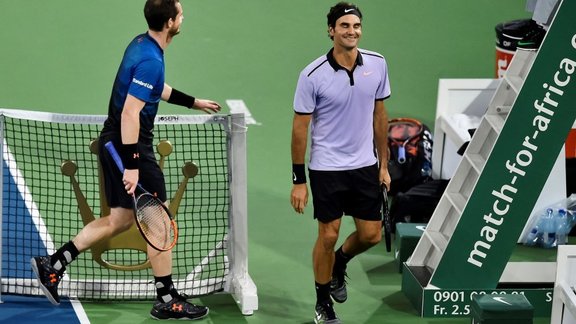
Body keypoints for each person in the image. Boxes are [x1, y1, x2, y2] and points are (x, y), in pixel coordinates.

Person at [30, 0, 221, 320]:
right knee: (161, 225)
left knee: (118, 220)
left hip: (113, 143)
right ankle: (166, 298)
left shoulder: (141, 43)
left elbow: (153, 89)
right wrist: (132, 165)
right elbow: (131, 112)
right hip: (131, 147)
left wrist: (193, 102)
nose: (183, 15)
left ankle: (54, 264)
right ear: (171, 22)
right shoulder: (150, 60)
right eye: (180, 13)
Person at [290, 2, 391, 323]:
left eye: (356, 26)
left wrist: (384, 166)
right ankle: (323, 303)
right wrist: (298, 179)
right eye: (344, 26)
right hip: (326, 166)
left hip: (364, 165)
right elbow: (300, 128)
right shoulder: (312, 75)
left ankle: (339, 263)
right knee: (328, 235)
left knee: (371, 235)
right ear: (331, 31)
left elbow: (380, 116)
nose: (352, 32)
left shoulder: (377, 64)